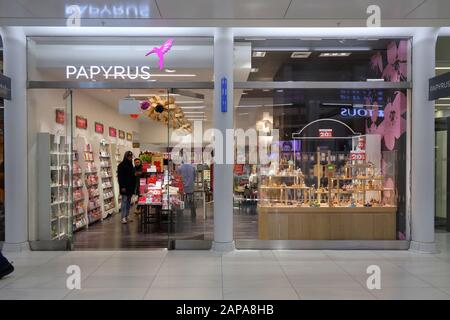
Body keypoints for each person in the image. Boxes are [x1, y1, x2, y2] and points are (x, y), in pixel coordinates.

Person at [117, 151, 136, 224]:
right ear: (126, 157)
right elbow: (120, 177)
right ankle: (123, 217)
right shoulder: (121, 165)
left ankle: (127, 215)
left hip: (130, 186)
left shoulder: (131, 165)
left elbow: (132, 176)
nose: (130, 158)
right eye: (129, 157)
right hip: (124, 187)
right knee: (124, 201)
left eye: (131, 157)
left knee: (128, 201)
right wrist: (122, 186)